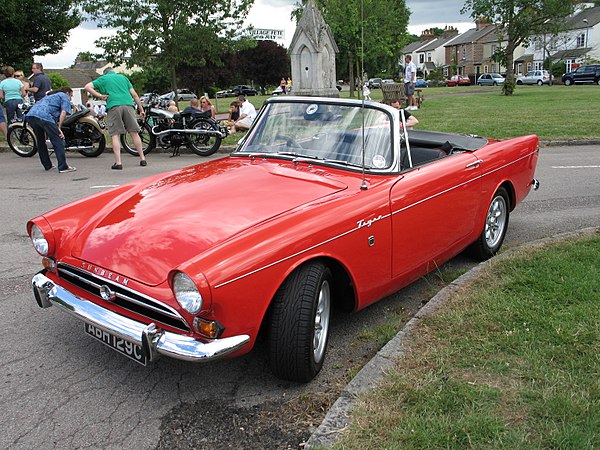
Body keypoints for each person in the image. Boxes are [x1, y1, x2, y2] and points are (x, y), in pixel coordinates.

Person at [84, 67, 146, 169]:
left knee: (115, 134)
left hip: (114, 106)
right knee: (134, 132)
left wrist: (100, 95)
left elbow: (87, 87)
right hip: (128, 105)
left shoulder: (103, 79)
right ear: (113, 71)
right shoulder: (123, 78)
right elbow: (134, 95)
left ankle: (118, 163)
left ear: (105, 74)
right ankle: (142, 158)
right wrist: (141, 109)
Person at [25, 87, 76, 173]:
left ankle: (47, 165)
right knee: (58, 140)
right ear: (67, 93)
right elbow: (63, 113)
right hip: (45, 116)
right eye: (71, 95)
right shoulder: (64, 96)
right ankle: (63, 166)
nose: (71, 98)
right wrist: (59, 128)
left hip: (31, 116)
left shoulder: (49, 96)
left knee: (41, 141)